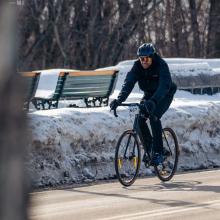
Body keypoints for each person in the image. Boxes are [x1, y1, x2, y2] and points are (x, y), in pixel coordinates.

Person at [110, 43, 177, 166]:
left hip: (165, 94)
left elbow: (164, 86)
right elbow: (128, 83)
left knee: (154, 116)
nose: (144, 61)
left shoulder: (161, 65)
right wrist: (119, 100)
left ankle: (158, 152)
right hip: (149, 94)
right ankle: (150, 147)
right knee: (140, 119)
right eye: (141, 58)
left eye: (146, 58)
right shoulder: (137, 66)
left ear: (152, 57)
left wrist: (154, 101)